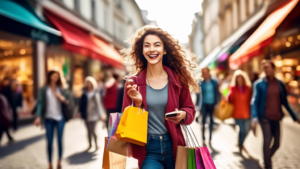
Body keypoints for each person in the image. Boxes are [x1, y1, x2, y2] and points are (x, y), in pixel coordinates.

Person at [121, 25, 197, 169]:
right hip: (149, 149)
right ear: (142, 51)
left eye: (157, 45)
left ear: (165, 49)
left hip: (175, 146)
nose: (152, 49)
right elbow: (126, 124)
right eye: (146, 45)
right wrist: (137, 105)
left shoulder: (178, 80)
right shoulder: (133, 83)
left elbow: (190, 111)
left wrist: (183, 114)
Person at [251, 60, 300, 169]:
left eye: (267, 67)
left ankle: (266, 158)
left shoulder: (280, 84)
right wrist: (254, 118)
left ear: (273, 69)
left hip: (277, 117)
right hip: (264, 117)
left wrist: (294, 117)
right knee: (267, 140)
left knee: (277, 143)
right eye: (264, 68)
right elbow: (255, 102)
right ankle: (268, 165)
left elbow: (285, 103)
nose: (265, 70)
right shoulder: (259, 84)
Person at [33, 70, 69, 169]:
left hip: (60, 118)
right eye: (53, 76)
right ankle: (49, 163)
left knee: (60, 141)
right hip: (48, 118)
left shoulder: (61, 88)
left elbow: (67, 101)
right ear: (49, 77)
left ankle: (59, 161)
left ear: (59, 78)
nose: (55, 78)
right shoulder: (44, 89)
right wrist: (38, 116)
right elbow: (40, 103)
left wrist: (60, 97)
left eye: (56, 77)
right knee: (49, 142)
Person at [79, 76, 106, 151]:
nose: (88, 84)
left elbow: (98, 105)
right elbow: (81, 104)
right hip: (86, 114)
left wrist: (101, 114)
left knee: (93, 130)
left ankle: (96, 145)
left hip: (94, 114)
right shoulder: (84, 92)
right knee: (88, 130)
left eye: (90, 83)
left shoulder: (96, 92)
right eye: (87, 83)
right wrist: (79, 112)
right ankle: (90, 144)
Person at [228, 70, 252, 154]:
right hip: (237, 113)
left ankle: (240, 143)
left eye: (241, 77)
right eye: (237, 77)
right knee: (242, 130)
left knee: (247, 130)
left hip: (247, 113)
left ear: (243, 78)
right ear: (235, 79)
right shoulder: (233, 88)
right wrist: (225, 92)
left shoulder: (248, 88)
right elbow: (229, 98)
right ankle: (240, 145)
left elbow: (251, 101)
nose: (239, 79)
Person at [200, 67, 220, 147]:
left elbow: (217, 93)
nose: (204, 74)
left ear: (208, 72)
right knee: (203, 122)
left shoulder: (214, 82)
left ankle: (210, 139)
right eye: (203, 73)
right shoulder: (201, 83)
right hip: (204, 105)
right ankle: (203, 139)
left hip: (212, 104)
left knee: (211, 122)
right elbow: (198, 96)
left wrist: (217, 103)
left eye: (205, 72)